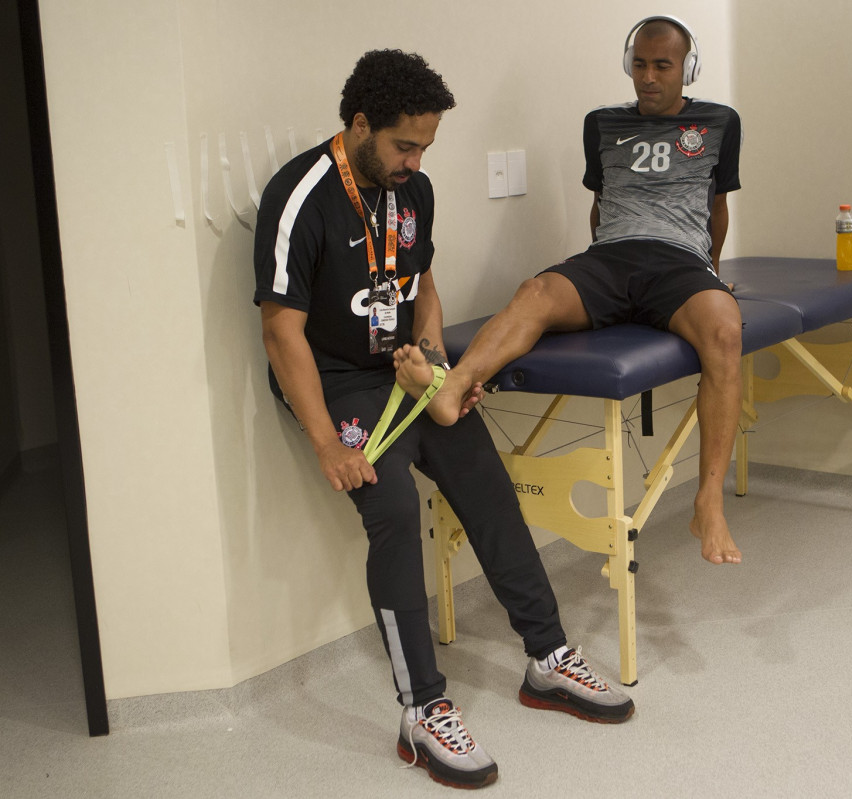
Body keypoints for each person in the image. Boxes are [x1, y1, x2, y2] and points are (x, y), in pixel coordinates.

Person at [253, 49, 633, 791]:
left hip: (403, 368)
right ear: (360, 124)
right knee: (393, 506)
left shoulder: (413, 189)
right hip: (337, 383)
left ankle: (547, 657)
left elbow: (423, 284)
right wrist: (327, 440)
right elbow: (280, 331)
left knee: (486, 481)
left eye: (426, 145)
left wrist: (435, 370)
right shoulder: (300, 196)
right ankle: (423, 708)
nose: (416, 159)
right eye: (404, 144)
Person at [399, 16, 745, 566]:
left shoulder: (720, 122)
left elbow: (716, 206)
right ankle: (452, 386)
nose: (649, 77)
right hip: (609, 258)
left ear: (687, 69)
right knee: (534, 291)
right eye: (639, 64)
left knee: (725, 330)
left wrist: (712, 272)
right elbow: (600, 199)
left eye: (663, 65)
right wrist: (598, 277)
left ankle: (708, 499)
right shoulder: (601, 124)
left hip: (680, 261)